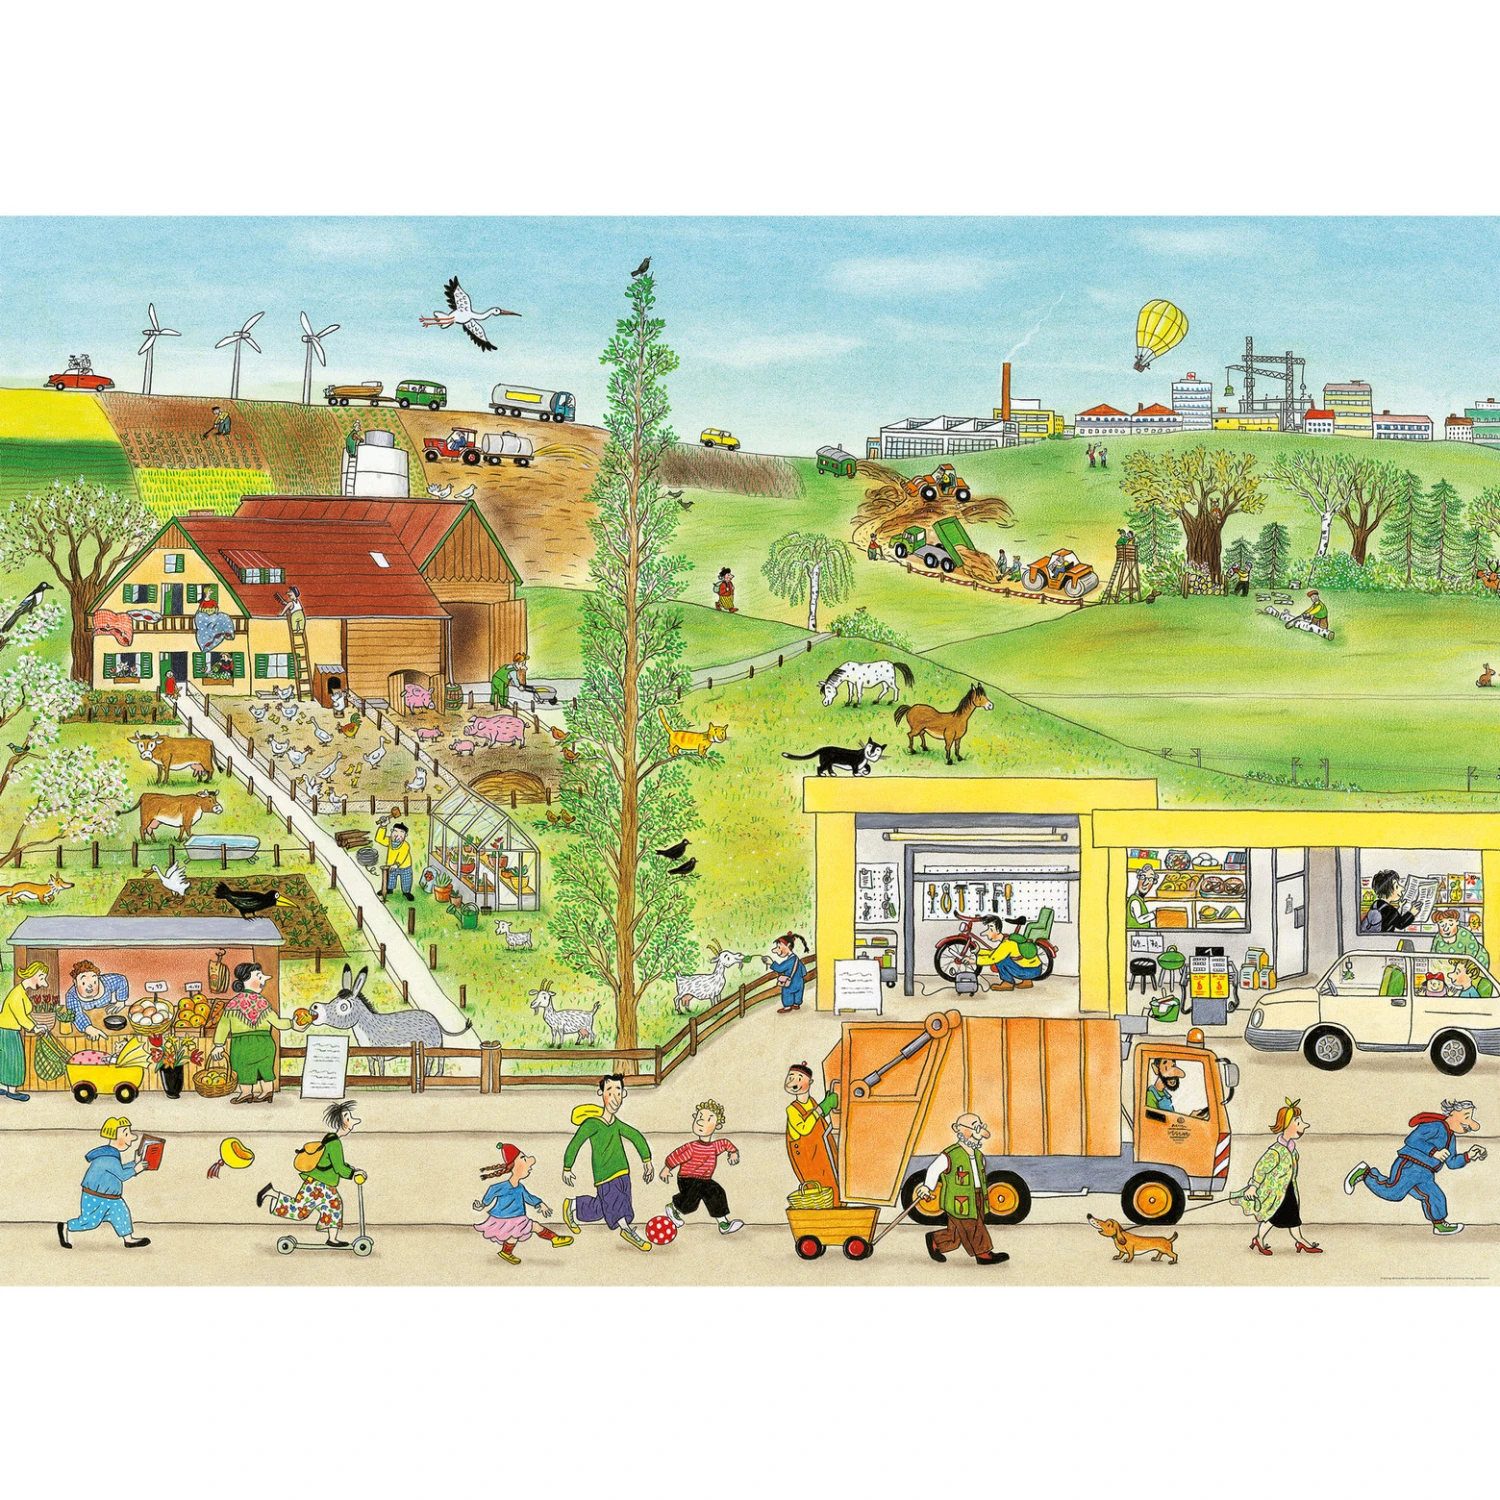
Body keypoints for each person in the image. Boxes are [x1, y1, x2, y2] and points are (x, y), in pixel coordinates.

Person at [1345, 1099, 1487, 1236]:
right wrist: (1433, 1152)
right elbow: (1412, 1139)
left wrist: (1468, 1156)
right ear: (1452, 1113)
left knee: (1435, 1196)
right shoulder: (1435, 1125)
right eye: (1466, 1117)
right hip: (1410, 1165)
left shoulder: (1451, 1138)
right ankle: (1366, 1173)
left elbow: (1452, 1162)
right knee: (1393, 1192)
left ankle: (1440, 1225)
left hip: (1426, 1174)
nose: (1470, 1123)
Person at [561, 1074, 654, 1251]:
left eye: (618, 1092)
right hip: (605, 1175)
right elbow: (575, 1143)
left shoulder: (617, 1124)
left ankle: (572, 1204)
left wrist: (647, 1160)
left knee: (603, 1208)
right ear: (601, 1093)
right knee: (617, 1206)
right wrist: (567, 1167)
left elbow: (635, 1136)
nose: (614, 1098)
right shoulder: (592, 1123)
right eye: (609, 1092)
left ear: (624, 1094)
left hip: (623, 1172)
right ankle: (627, 1231)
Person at [259, 1097, 362, 1246]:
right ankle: (272, 1193)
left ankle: (332, 1239)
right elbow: (339, 1167)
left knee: (332, 1206)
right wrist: (353, 1174)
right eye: (348, 1118)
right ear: (342, 1123)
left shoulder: (331, 1139)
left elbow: (337, 1163)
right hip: (319, 1184)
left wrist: (353, 1170)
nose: (352, 1122)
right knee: (301, 1210)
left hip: (320, 1183)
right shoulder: (334, 1143)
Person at [918, 1112, 1008, 1267]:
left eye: (980, 1125)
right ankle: (983, 1254)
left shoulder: (979, 1155)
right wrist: (927, 1187)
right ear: (958, 1129)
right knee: (973, 1226)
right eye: (974, 1126)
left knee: (956, 1234)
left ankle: (936, 1241)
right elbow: (933, 1170)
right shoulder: (950, 1155)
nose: (979, 1130)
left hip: (977, 1196)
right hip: (958, 1201)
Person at [1238, 1098, 1321, 1255]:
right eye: (1298, 1122)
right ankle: (1263, 1239)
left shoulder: (1292, 1150)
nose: (1303, 1125)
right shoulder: (1276, 1151)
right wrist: (1253, 1186)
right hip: (1277, 1192)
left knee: (1291, 1217)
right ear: (1286, 1125)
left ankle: (1299, 1240)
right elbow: (1261, 1169)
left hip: (1288, 1189)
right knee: (1274, 1217)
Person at [58, 1116, 152, 1249]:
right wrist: (136, 1169)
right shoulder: (108, 1158)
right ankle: (65, 1226)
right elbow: (122, 1175)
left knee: (122, 1214)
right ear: (115, 1137)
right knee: (89, 1222)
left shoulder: (112, 1156)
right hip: (95, 1197)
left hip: (112, 1198)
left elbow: (119, 1169)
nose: (132, 1138)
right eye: (126, 1134)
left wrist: (134, 1163)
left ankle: (128, 1239)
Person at [473, 1142, 573, 1264]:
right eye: (523, 1159)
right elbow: (490, 1194)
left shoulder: (520, 1188)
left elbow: (529, 1198)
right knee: (533, 1227)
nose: (529, 1165)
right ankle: (554, 1239)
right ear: (514, 1166)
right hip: (505, 1218)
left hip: (517, 1218)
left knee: (514, 1236)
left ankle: (506, 1252)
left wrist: (540, 1203)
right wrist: (481, 1205)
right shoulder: (501, 1187)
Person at [210, 960, 291, 1104]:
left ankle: (247, 1093)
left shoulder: (233, 1003)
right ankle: (267, 1092)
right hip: (264, 1043)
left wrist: (219, 1045)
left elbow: (223, 1025)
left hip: (242, 1045)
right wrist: (292, 1024)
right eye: (259, 977)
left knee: (243, 1067)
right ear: (246, 979)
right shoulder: (263, 1002)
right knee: (264, 1068)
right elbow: (278, 1023)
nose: (263, 981)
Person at [661, 1099, 744, 1235]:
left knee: (716, 1191)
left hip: (704, 1180)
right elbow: (676, 1156)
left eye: (708, 1119)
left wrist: (733, 1152)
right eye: (699, 1117)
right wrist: (667, 1168)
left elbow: (725, 1143)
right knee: (692, 1200)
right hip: (687, 1179)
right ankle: (673, 1207)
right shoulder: (692, 1147)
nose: (701, 1121)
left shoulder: (714, 1147)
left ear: (717, 1126)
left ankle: (723, 1223)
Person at [784, 1062, 841, 1205]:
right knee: (818, 1189)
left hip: (823, 1151)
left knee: (834, 1182)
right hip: (808, 1158)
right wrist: (821, 1109)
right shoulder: (792, 1110)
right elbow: (804, 1128)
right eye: (790, 1077)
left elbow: (819, 1118)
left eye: (799, 1078)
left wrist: (827, 1105)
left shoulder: (812, 1102)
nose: (793, 1082)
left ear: (810, 1082)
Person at [0, 962, 47, 1102]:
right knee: (13, 1059)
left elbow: (26, 1015)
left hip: (9, 1030)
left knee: (5, 1059)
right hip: (7, 1031)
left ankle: (4, 1086)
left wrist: (37, 1025)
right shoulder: (17, 994)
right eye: (42, 978)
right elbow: (21, 1017)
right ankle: (12, 1091)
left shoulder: (21, 992)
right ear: (34, 975)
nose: (43, 983)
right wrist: (34, 1027)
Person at [971, 917, 1044, 991]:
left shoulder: (1007, 944)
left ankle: (1007, 983)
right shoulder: (1009, 939)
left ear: (998, 930)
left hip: (1029, 972)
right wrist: (979, 951)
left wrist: (975, 961)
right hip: (1036, 969)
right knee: (1002, 956)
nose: (986, 934)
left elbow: (993, 958)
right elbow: (995, 952)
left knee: (1001, 960)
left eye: (991, 930)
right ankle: (1027, 981)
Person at [63, 959, 130, 1040]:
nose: (90, 986)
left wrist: (121, 1001)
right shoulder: (72, 995)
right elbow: (76, 1014)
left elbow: (121, 980)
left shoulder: (106, 982)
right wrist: (88, 1028)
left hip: (106, 1015)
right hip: (89, 1019)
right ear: (75, 982)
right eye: (83, 983)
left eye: (94, 982)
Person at [1359, 868, 1417, 934]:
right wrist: (1412, 912)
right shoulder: (1390, 911)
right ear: (1388, 890)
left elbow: (1391, 919)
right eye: (1397, 886)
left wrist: (1400, 907)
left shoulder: (1376, 903)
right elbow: (1401, 924)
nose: (1402, 888)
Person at [766, 931, 809, 1013]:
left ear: (788, 946)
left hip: (791, 983)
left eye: (779, 947)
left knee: (787, 993)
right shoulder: (796, 959)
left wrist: (771, 963)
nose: (776, 950)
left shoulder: (790, 961)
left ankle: (787, 1007)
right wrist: (799, 977)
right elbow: (803, 971)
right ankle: (796, 1004)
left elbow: (780, 968)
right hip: (799, 982)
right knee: (798, 993)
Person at [375, 817, 414, 902]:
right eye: (395, 832)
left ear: (406, 835)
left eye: (401, 833)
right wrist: (383, 826)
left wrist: (397, 864)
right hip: (391, 866)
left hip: (405, 866)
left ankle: (406, 892)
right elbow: (379, 839)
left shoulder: (405, 845)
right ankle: (389, 889)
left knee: (406, 880)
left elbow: (402, 856)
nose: (397, 835)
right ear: (391, 831)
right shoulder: (389, 841)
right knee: (391, 878)